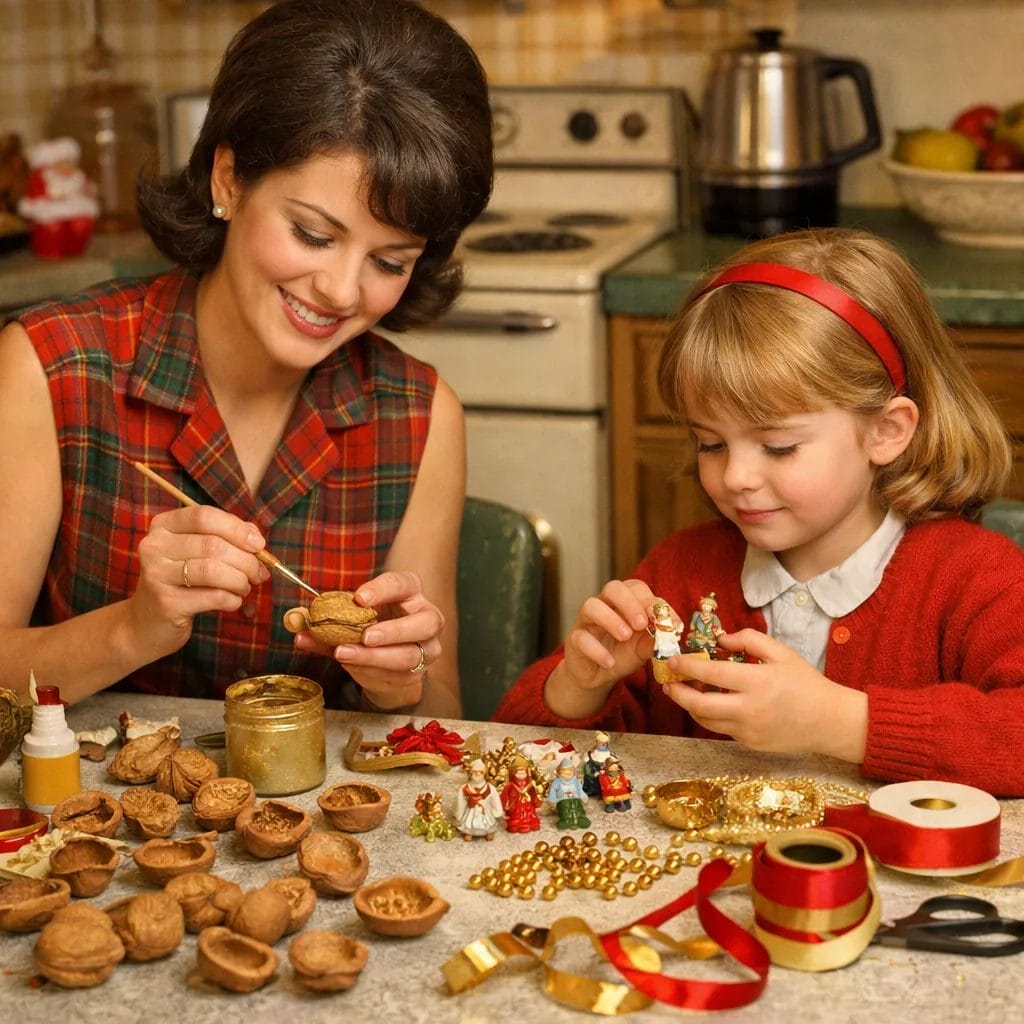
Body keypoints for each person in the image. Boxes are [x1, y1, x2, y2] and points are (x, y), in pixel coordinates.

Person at [0, 0, 493, 716]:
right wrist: (134, 629)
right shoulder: (53, 368)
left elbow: (439, 712)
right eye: (313, 234)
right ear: (228, 179)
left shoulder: (419, 416)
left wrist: (400, 678)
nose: (340, 290)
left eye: (390, 261)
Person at [494, 227, 1024, 797]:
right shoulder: (679, 573)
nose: (736, 477)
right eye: (710, 444)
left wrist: (839, 721)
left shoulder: (977, 578)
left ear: (886, 432)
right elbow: (515, 753)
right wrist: (580, 684)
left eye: (778, 447)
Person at [454, 759, 504, 841]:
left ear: (484, 774)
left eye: (480, 772)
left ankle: (489, 832)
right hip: (470, 810)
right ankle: (469, 832)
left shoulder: (490, 788)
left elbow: (495, 800)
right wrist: (459, 813)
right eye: (474, 772)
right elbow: (460, 802)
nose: (477, 774)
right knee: (468, 822)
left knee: (488, 822)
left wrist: (497, 811)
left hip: (485, 811)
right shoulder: (465, 788)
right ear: (470, 773)